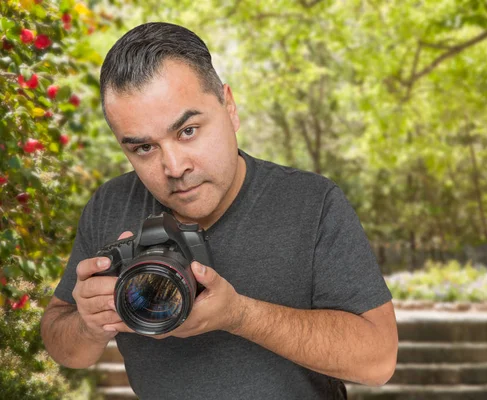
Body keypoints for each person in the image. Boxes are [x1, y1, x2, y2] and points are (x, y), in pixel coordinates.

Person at [40, 22, 398, 399]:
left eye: (188, 131)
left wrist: (239, 316)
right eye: (143, 148)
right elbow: (64, 345)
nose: (174, 167)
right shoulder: (110, 205)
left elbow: (377, 361)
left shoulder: (313, 202)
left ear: (229, 107)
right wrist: (89, 325)